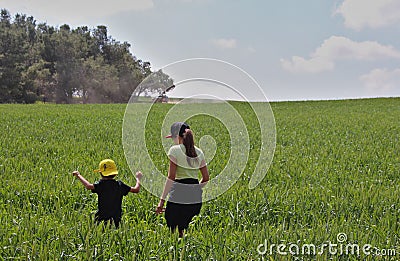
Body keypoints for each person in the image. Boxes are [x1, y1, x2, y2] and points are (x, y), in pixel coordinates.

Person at [156, 122, 210, 237]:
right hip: (195, 197)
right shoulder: (199, 152)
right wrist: (194, 188)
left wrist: (161, 201)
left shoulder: (174, 150)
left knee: (173, 230)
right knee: (185, 228)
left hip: (178, 193)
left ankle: (177, 252)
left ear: (177, 136)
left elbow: (171, 177)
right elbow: (206, 178)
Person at [72, 159, 142, 228]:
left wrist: (78, 175)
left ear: (101, 173)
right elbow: (136, 190)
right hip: (116, 219)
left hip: (101, 219)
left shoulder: (101, 185)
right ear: (114, 173)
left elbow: (88, 186)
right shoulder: (120, 185)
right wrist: (138, 178)